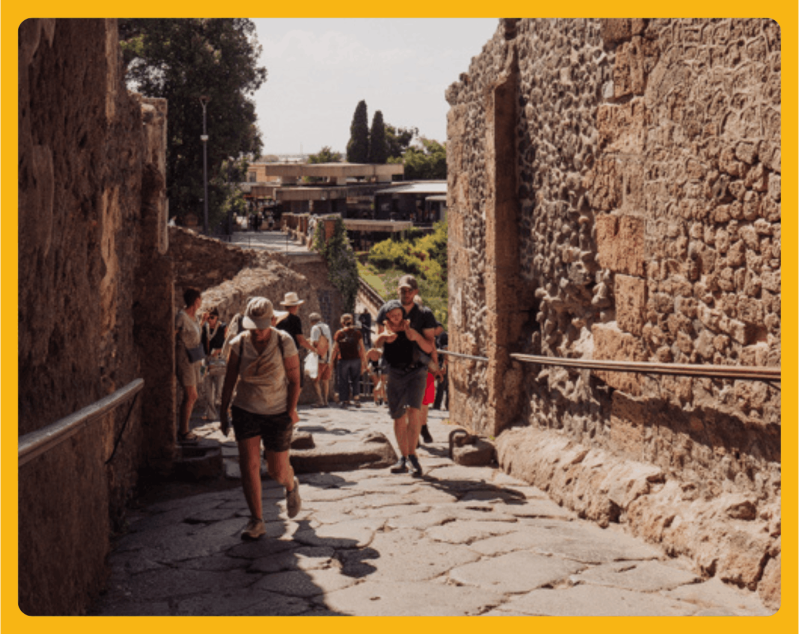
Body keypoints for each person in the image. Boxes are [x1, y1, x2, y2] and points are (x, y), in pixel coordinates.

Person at [219, 297, 302, 540]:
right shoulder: (239, 344)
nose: (257, 333)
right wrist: (223, 412)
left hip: (277, 411)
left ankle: (290, 484)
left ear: (273, 322)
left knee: (277, 470)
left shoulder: (284, 341)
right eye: (253, 327)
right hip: (246, 409)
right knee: (249, 465)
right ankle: (256, 520)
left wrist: (290, 410)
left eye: (262, 327)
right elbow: (230, 380)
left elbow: (295, 379)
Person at [374, 275, 437, 477]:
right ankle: (404, 456)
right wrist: (385, 337)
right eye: (403, 289)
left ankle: (412, 456)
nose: (406, 293)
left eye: (409, 290)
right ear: (398, 290)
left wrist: (415, 336)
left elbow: (429, 345)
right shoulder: (386, 309)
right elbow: (376, 341)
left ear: (416, 291)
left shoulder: (424, 314)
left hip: (417, 369)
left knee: (414, 412)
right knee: (398, 415)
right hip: (394, 369)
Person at [175, 287, 209, 444]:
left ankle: (184, 429)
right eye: (200, 299)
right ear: (196, 301)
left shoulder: (194, 318)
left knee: (191, 395)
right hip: (184, 360)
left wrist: (201, 322)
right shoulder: (181, 317)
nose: (201, 302)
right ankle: (183, 431)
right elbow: (173, 335)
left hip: (194, 359)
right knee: (191, 395)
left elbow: (194, 334)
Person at [276, 292, 317, 387]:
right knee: (297, 383)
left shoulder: (277, 319)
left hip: (278, 353)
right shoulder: (295, 319)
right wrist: (313, 349)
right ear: (295, 306)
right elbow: (300, 340)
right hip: (291, 354)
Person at [331, 313, 368, 408]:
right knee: (355, 379)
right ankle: (356, 399)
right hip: (355, 360)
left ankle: (344, 401)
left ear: (342, 322)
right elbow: (362, 348)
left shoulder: (339, 333)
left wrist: (330, 361)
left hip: (343, 360)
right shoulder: (357, 333)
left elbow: (335, 348)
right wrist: (365, 361)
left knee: (343, 380)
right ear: (351, 321)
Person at [201, 307, 227, 420]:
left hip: (218, 360)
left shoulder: (223, 327)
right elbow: (196, 338)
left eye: (212, 317)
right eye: (208, 317)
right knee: (207, 389)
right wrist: (202, 321)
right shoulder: (203, 327)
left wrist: (219, 350)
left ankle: (224, 412)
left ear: (217, 317)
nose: (210, 320)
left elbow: (228, 343)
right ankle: (211, 414)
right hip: (205, 361)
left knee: (219, 390)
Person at [308, 312, 333, 407]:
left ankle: (320, 400)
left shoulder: (315, 328)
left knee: (315, 380)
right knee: (325, 380)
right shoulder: (326, 327)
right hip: (327, 358)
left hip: (319, 358)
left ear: (312, 321)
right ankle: (326, 401)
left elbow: (315, 343)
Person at [433, 327, 449, 411]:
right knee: (443, 384)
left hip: (443, 363)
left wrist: (444, 364)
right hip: (439, 362)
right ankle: (437, 404)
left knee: (443, 384)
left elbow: (446, 349)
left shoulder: (443, 336)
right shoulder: (437, 336)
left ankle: (438, 405)